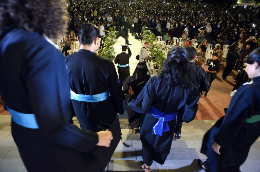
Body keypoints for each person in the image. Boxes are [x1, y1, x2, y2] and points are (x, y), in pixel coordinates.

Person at [0, 1, 113, 172]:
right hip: (49, 147)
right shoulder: (42, 52)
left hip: (23, 135)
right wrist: (95, 138)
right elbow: (55, 128)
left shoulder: (8, 37)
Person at [128, 47, 202, 172]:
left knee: (148, 140)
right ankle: (155, 160)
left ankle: (146, 165)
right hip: (169, 120)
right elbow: (188, 116)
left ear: (168, 61)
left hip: (151, 119)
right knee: (162, 141)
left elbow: (141, 106)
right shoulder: (192, 88)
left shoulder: (155, 81)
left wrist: (132, 98)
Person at [66, 23, 124, 171]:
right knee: (105, 138)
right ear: (96, 40)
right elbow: (116, 91)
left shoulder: (67, 61)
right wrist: (120, 108)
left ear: (78, 39)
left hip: (79, 109)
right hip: (103, 110)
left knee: (87, 132)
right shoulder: (106, 64)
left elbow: (64, 90)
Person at [199, 47, 260, 172]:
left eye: (247, 64)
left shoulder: (249, 90)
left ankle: (209, 165)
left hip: (237, 134)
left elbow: (235, 118)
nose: (244, 68)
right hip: (250, 132)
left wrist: (220, 141)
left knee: (223, 161)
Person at [175, 46, 210, 139]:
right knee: (184, 113)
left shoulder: (175, 68)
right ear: (195, 58)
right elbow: (205, 85)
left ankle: (173, 130)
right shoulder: (200, 70)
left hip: (176, 97)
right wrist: (203, 92)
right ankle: (178, 132)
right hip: (191, 98)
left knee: (175, 112)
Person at [123, 62, 150, 133]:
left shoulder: (128, 79)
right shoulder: (148, 80)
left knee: (132, 104)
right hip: (143, 104)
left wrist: (131, 94)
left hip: (131, 104)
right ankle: (140, 126)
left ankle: (133, 126)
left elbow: (124, 91)